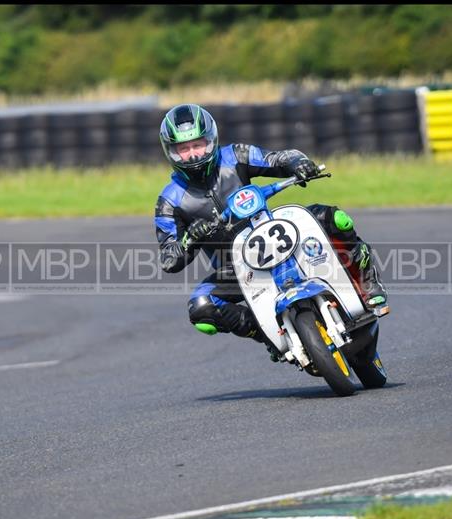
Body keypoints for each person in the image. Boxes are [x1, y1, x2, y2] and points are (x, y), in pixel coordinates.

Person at [154, 103, 387, 359]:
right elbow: (169, 258)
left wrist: (299, 164)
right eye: (183, 149)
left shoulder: (235, 155)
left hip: (278, 236)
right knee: (200, 308)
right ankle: (265, 333)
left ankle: (366, 281)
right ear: (171, 152)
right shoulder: (169, 201)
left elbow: (277, 158)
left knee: (335, 218)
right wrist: (189, 239)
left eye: (197, 145)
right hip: (239, 269)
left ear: (211, 140)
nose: (193, 155)